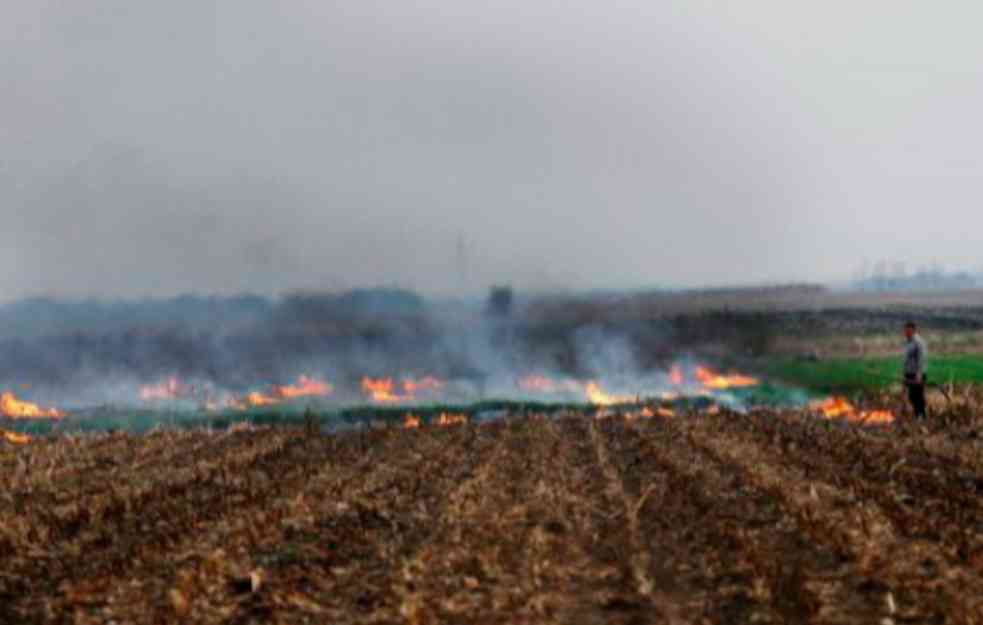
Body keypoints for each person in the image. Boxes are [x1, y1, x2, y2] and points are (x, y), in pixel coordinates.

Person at [903, 321, 927, 418]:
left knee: (917, 395)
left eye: (908, 331)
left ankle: (921, 415)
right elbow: (906, 359)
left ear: (913, 330)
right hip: (909, 373)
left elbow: (922, 358)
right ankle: (917, 414)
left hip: (916, 374)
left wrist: (919, 374)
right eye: (905, 331)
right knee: (911, 396)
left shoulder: (918, 342)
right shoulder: (908, 342)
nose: (906, 333)